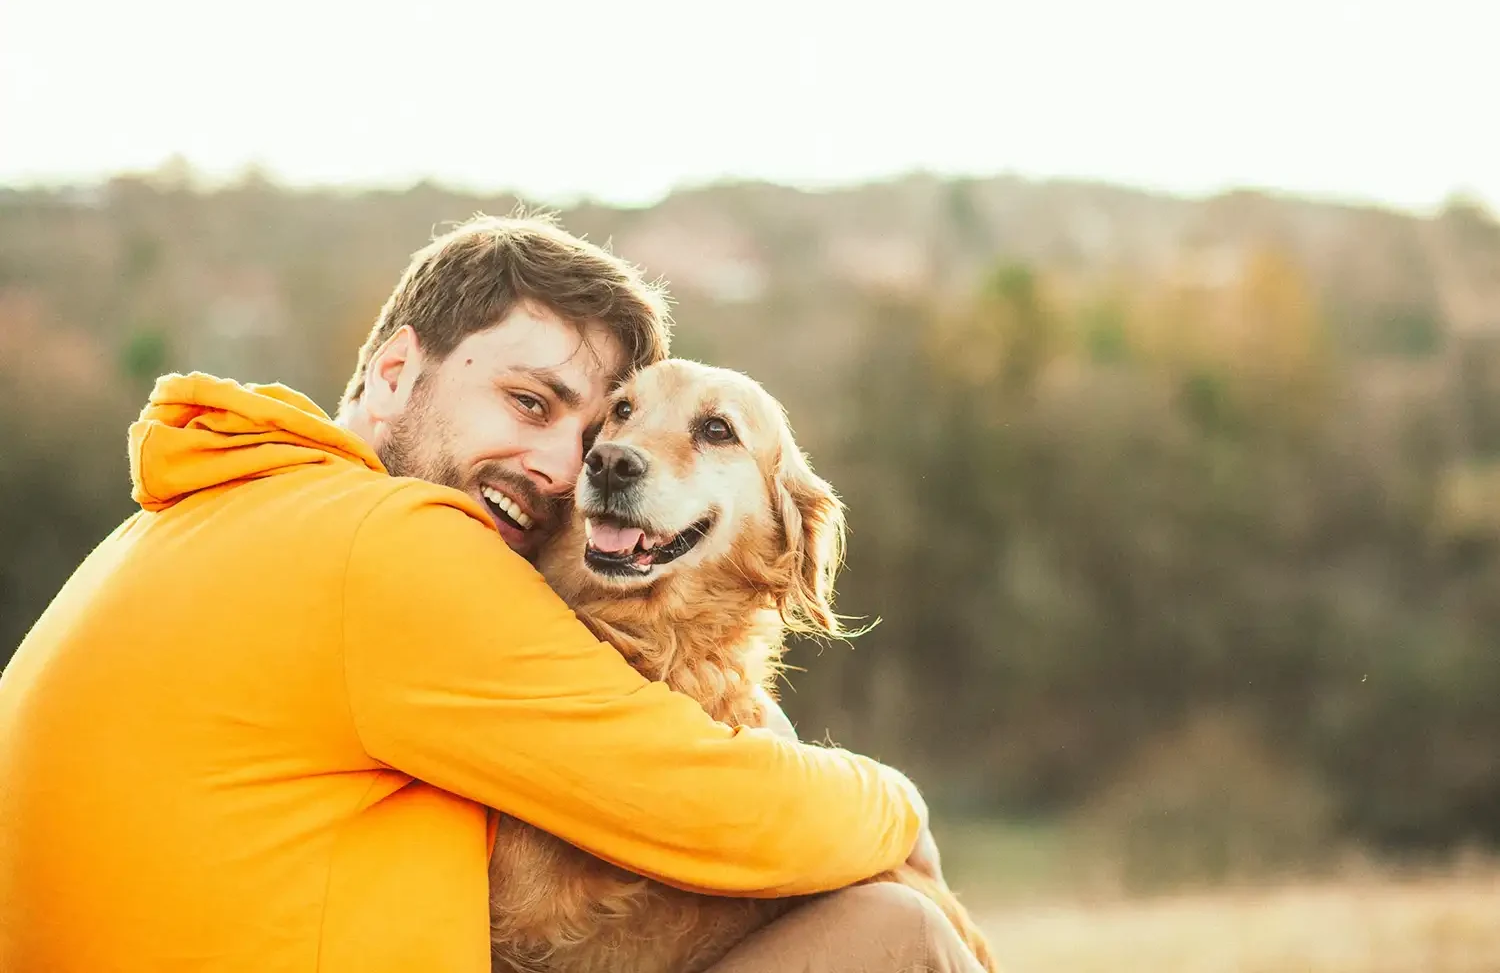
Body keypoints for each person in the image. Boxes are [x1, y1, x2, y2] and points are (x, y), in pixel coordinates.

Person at [0, 213, 984, 973]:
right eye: (528, 401)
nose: (574, 465)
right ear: (391, 372)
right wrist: (893, 803)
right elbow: (703, 802)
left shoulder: (204, 518)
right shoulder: (387, 545)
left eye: (585, 427)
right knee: (894, 934)